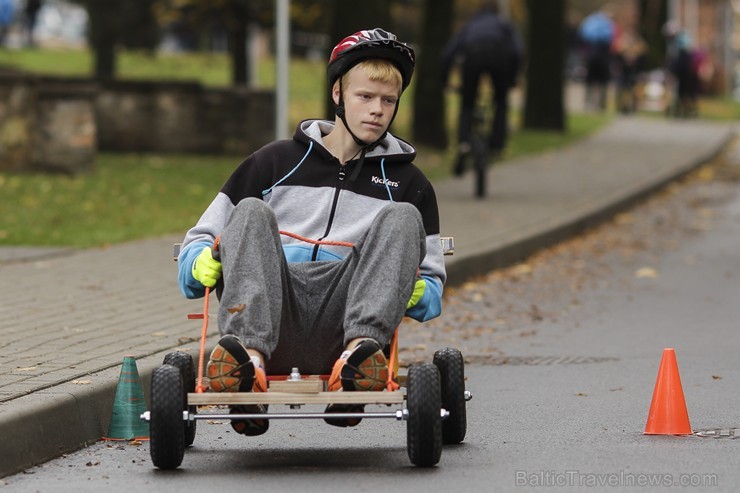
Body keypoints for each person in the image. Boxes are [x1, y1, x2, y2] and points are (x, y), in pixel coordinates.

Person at [177, 28, 446, 435]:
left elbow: (432, 288)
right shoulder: (273, 162)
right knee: (250, 210)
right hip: (269, 309)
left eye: (387, 101)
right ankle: (247, 364)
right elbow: (198, 242)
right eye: (365, 97)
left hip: (350, 320)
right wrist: (200, 264)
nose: (377, 110)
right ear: (338, 95)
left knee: (403, 216)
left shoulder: (411, 184)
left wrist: (416, 289)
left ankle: (358, 365)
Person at [441, 0, 523, 176]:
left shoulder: (470, 25)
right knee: (500, 101)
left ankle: (463, 143)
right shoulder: (504, 25)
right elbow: (517, 51)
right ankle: (497, 143)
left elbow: (449, 53)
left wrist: (445, 80)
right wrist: (512, 79)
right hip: (499, 57)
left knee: (467, 104)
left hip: (472, 56)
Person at [578, 8, 615, 111]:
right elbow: (610, 40)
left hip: (591, 55)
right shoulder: (607, 24)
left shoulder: (589, 22)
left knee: (590, 80)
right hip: (603, 56)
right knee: (603, 80)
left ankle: (588, 103)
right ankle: (601, 104)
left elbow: (583, 37)